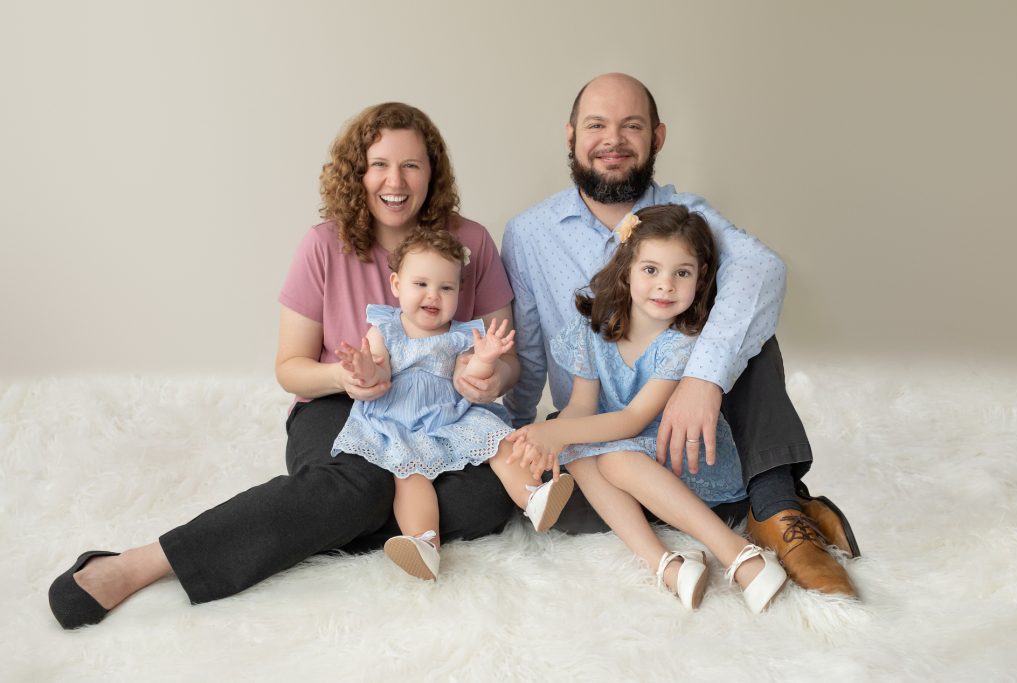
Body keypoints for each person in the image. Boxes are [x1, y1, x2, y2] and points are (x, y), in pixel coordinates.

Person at [48, 102, 521, 629]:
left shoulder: (471, 242)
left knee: (488, 498)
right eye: (380, 163)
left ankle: (328, 517)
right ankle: (144, 562)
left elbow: (507, 362)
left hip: (440, 419)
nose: (395, 180)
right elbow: (290, 368)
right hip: (338, 407)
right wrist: (344, 377)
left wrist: (486, 380)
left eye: (412, 165)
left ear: (433, 173)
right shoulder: (323, 245)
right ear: (357, 171)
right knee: (362, 483)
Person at [501, 73, 859, 596]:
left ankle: (777, 507)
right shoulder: (528, 233)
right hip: (592, 427)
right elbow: (530, 353)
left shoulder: (687, 216)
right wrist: (521, 436)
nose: (613, 139)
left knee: (745, 330)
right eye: (597, 125)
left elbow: (761, 271)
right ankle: (701, 532)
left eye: (632, 126)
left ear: (657, 138)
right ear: (571, 134)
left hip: (683, 424)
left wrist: (703, 379)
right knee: (561, 503)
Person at [508, 205, 787, 612]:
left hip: (684, 454)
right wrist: (552, 439)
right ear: (626, 270)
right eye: (651, 270)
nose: (666, 286)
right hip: (625, 451)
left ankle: (739, 554)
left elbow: (635, 419)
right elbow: (581, 407)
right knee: (577, 449)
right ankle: (665, 563)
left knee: (611, 458)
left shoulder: (682, 343)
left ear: (701, 278)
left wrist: (559, 432)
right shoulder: (593, 332)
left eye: (682, 273)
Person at [330, 228, 574, 580]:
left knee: (500, 441)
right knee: (409, 473)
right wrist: (363, 367)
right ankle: (424, 542)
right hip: (397, 418)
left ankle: (533, 496)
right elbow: (378, 371)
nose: (433, 296)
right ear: (397, 284)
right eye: (421, 285)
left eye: (446, 288)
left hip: (452, 413)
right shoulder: (384, 327)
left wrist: (486, 359)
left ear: (460, 291)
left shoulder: (460, 334)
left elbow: (467, 376)